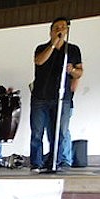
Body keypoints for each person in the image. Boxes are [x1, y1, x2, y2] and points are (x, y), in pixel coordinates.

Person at [29, 17, 83, 173]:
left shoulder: (72, 50)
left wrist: (72, 70)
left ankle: (55, 162)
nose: (60, 29)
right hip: (40, 97)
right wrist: (53, 44)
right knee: (37, 132)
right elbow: (39, 61)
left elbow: (79, 73)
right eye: (57, 27)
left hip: (62, 98)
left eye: (63, 27)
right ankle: (36, 163)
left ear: (67, 30)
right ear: (51, 31)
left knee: (59, 133)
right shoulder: (41, 47)